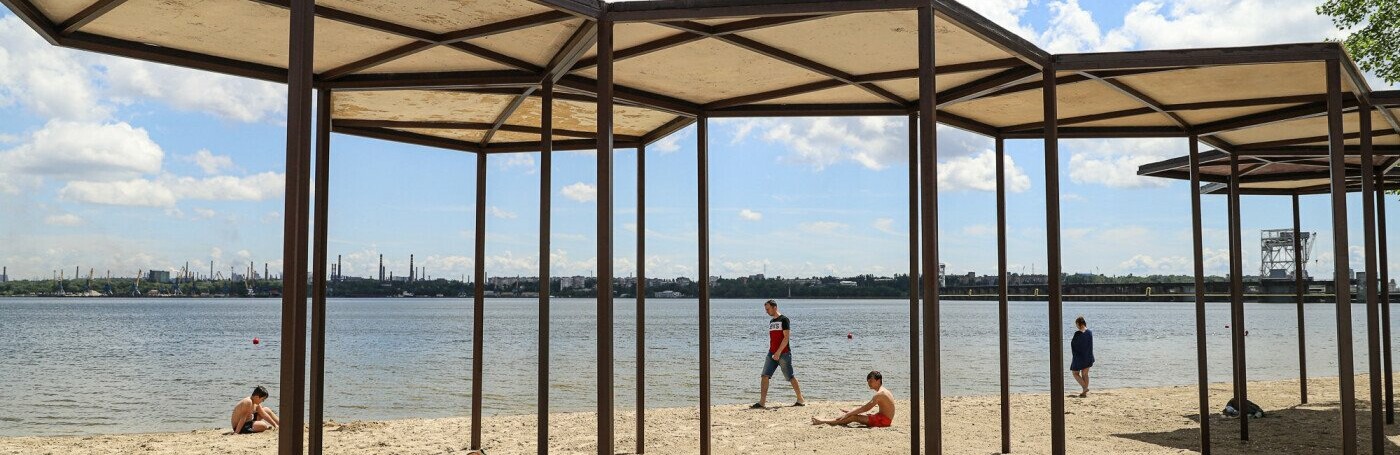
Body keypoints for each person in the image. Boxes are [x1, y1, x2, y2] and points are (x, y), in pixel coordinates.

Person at [752, 299, 806, 408]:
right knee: (764, 376)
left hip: (784, 354)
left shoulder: (784, 320)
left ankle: (800, 399)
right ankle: (762, 402)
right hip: (771, 353)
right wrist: (773, 352)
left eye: (768, 309)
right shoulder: (771, 322)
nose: (766, 311)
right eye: (766, 309)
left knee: (790, 376)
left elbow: (786, 338)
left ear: (774, 307)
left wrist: (778, 352)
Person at [810, 371, 896, 428]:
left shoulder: (880, 394)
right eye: (868, 381)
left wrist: (849, 413)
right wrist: (851, 411)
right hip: (883, 418)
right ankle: (831, 420)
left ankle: (824, 421)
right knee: (854, 414)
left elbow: (865, 408)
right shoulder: (883, 391)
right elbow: (866, 407)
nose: (868, 383)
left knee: (853, 417)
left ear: (878, 380)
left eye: (871, 381)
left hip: (883, 421)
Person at [1070, 316, 1095, 398]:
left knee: (1075, 373)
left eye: (1076, 324)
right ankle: (1084, 393)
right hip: (1088, 356)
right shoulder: (1090, 332)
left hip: (1079, 357)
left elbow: (1074, 345)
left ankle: (1085, 388)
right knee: (1085, 374)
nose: (1076, 326)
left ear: (1078, 324)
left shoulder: (1077, 334)